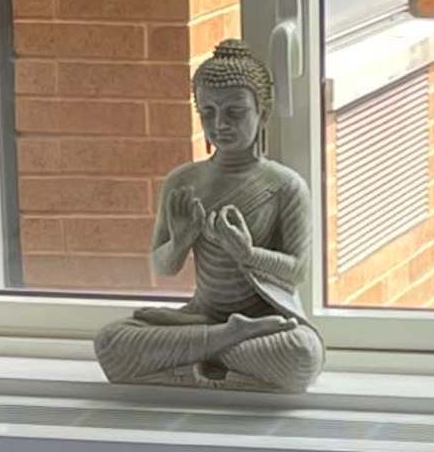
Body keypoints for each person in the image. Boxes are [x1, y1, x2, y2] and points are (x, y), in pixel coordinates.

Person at [93, 35, 324, 398]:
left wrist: (248, 255)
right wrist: (182, 240)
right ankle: (226, 339)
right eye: (208, 113)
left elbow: (297, 270)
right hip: (202, 316)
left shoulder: (285, 186)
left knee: (301, 355)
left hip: (264, 320)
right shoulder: (183, 182)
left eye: (235, 113)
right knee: (111, 342)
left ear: (262, 113)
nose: (220, 125)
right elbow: (163, 267)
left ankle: (198, 356)